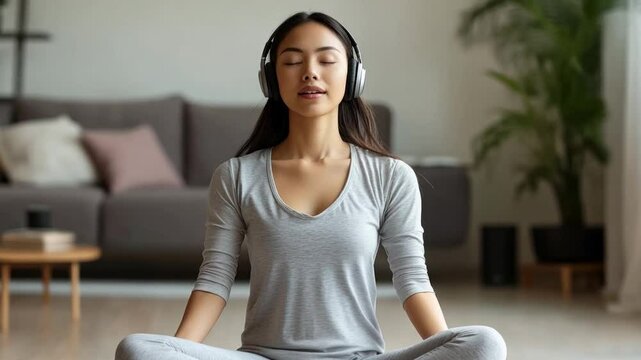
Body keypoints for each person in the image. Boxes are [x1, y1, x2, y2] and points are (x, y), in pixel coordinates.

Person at [115, 11, 507, 360]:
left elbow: (413, 280)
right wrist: (180, 352)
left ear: (352, 75)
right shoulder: (236, 176)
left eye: (326, 59)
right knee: (138, 350)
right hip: (263, 357)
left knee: (484, 343)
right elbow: (215, 278)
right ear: (272, 78)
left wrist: (443, 350)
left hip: (359, 358)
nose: (310, 72)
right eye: (292, 61)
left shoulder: (391, 176)